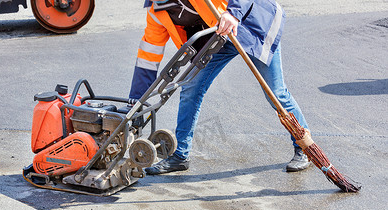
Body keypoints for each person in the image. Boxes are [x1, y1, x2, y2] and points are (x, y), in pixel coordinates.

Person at [128, 0, 311, 174]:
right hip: (218, 37)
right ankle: (180, 155)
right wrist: (135, 103)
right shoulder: (157, 10)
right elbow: (148, 57)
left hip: (252, 24)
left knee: (276, 93)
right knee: (191, 87)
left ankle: (304, 148)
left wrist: (233, 13)